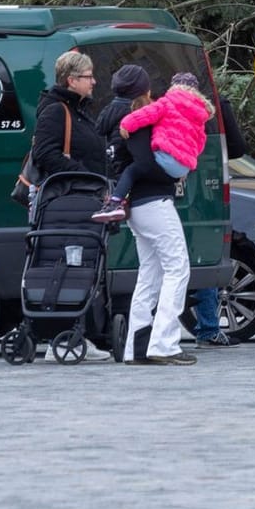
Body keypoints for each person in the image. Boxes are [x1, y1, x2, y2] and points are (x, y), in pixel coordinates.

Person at [109, 72, 196, 366]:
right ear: (146, 90)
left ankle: (137, 346)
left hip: (137, 207)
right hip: (155, 202)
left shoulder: (116, 117)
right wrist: (178, 173)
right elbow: (146, 164)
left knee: (150, 273)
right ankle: (164, 343)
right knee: (178, 268)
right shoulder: (143, 120)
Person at [94, 73, 211, 223]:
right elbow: (200, 142)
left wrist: (126, 124)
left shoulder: (167, 102)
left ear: (173, 87)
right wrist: (187, 162)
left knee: (133, 170)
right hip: (182, 167)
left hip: (165, 160)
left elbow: (145, 114)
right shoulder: (199, 114)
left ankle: (115, 202)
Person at [190, 87, 249, 347]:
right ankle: (208, 328)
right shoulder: (213, 101)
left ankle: (150, 329)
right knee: (206, 258)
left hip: (165, 189)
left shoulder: (157, 101)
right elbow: (236, 147)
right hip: (206, 189)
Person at [28, 50, 107, 187]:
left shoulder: (79, 108)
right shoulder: (55, 110)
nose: (93, 82)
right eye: (88, 77)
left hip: (88, 192)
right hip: (72, 196)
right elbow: (45, 153)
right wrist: (84, 176)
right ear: (72, 81)